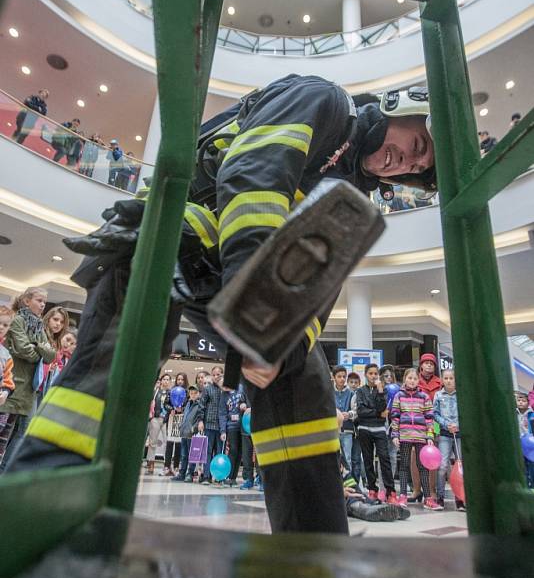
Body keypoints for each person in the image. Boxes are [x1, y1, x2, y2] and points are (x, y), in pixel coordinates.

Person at [10, 77, 437, 534]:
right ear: (397, 107)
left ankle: (313, 556)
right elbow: (254, 179)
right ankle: (26, 528)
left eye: (415, 166)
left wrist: (281, 347)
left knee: (303, 381)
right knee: (111, 370)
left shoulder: (352, 194)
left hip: (229, 277)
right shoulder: (325, 103)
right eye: (414, 143)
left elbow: (317, 292)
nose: (406, 162)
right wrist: (259, 324)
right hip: (168, 235)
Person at [1, 288, 55, 470]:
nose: (42, 305)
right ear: (26, 300)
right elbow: (26, 351)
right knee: (4, 431)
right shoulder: (17, 321)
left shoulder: (39, 326)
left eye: (44, 302)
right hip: (14, 385)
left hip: (31, 389)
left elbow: (50, 355)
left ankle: (5, 471)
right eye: (39, 300)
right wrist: (39, 351)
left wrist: (38, 346)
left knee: (23, 432)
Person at [391, 368, 440, 509]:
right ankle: (403, 497)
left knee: (423, 467)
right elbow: (395, 416)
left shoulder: (424, 397)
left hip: (421, 436)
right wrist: (395, 434)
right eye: (409, 378)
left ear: (418, 381)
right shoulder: (398, 396)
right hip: (405, 435)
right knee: (404, 466)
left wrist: (430, 435)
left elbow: (430, 418)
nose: (412, 381)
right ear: (405, 379)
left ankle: (428, 498)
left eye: (414, 378)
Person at [356, 363, 398, 504]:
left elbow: (383, 408)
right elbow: (361, 412)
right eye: (370, 373)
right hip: (364, 429)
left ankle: (390, 492)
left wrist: (380, 392)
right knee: (368, 460)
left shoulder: (384, 390)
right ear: (366, 375)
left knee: (384, 459)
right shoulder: (360, 391)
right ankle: (372, 489)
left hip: (379, 429)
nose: (373, 376)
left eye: (375, 374)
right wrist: (377, 413)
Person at [409, 352, 442, 502]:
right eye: (426, 362)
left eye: (432, 363)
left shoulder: (440, 383)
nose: (429, 365)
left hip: (433, 422)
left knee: (432, 456)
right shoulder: (414, 381)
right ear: (421, 365)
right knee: (414, 457)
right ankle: (416, 489)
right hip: (414, 421)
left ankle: (431, 490)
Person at [433, 368, 464, 509]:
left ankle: (460, 498)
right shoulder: (438, 395)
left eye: (451, 378)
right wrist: (446, 424)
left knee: (460, 466)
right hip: (445, 434)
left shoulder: (462, 395)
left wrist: (458, 425)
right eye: (446, 378)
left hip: (459, 435)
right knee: (443, 466)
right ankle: (440, 497)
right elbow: (435, 414)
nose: (449, 381)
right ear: (442, 380)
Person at [197, 371, 224, 484]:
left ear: (222, 375)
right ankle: (206, 476)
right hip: (208, 424)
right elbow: (201, 405)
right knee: (207, 452)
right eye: (214, 374)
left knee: (219, 452)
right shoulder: (207, 389)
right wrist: (200, 421)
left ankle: (218, 476)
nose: (216, 376)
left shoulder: (225, 390)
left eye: (218, 374)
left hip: (221, 427)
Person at [219, 384, 247, 486]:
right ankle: (229, 476)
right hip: (231, 426)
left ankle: (233, 478)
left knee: (240, 451)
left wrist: (245, 405)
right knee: (233, 450)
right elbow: (222, 413)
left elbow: (247, 400)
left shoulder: (241, 388)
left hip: (243, 424)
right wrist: (223, 431)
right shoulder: (224, 395)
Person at [173, 384, 201, 482]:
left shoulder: (199, 405)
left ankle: (190, 473)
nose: (193, 395)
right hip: (184, 432)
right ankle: (182, 473)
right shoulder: (188, 403)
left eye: (195, 393)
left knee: (192, 455)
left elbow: (200, 419)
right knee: (183, 455)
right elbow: (185, 416)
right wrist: (182, 426)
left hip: (192, 433)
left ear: (199, 394)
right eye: (191, 393)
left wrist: (194, 429)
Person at [146, 374, 172, 474]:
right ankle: (151, 462)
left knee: (168, 441)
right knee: (152, 442)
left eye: (167, 379)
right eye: (164, 379)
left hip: (167, 419)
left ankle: (167, 465)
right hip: (155, 418)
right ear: (161, 381)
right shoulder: (156, 392)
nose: (165, 381)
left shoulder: (171, 393)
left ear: (170, 381)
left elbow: (173, 406)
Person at [0, 306, 16, 465]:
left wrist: (5, 392)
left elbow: (8, 379)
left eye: (5, 325)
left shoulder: (6, 354)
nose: (1, 327)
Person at [333, 365, 354, 473]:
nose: (342, 379)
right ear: (333, 377)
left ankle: (348, 485)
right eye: (339, 376)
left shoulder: (351, 392)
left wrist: (350, 414)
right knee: (334, 459)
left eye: (344, 376)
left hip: (347, 430)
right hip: (333, 430)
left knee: (348, 458)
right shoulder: (329, 392)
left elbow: (356, 409)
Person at [516, 391, 534, 489]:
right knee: (522, 466)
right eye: (519, 400)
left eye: (523, 400)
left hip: (530, 445)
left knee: (531, 465)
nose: (521, 402)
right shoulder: (514, 413)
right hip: (519, 443)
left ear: (528, 402)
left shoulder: (531, 414)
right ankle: (525, 486)